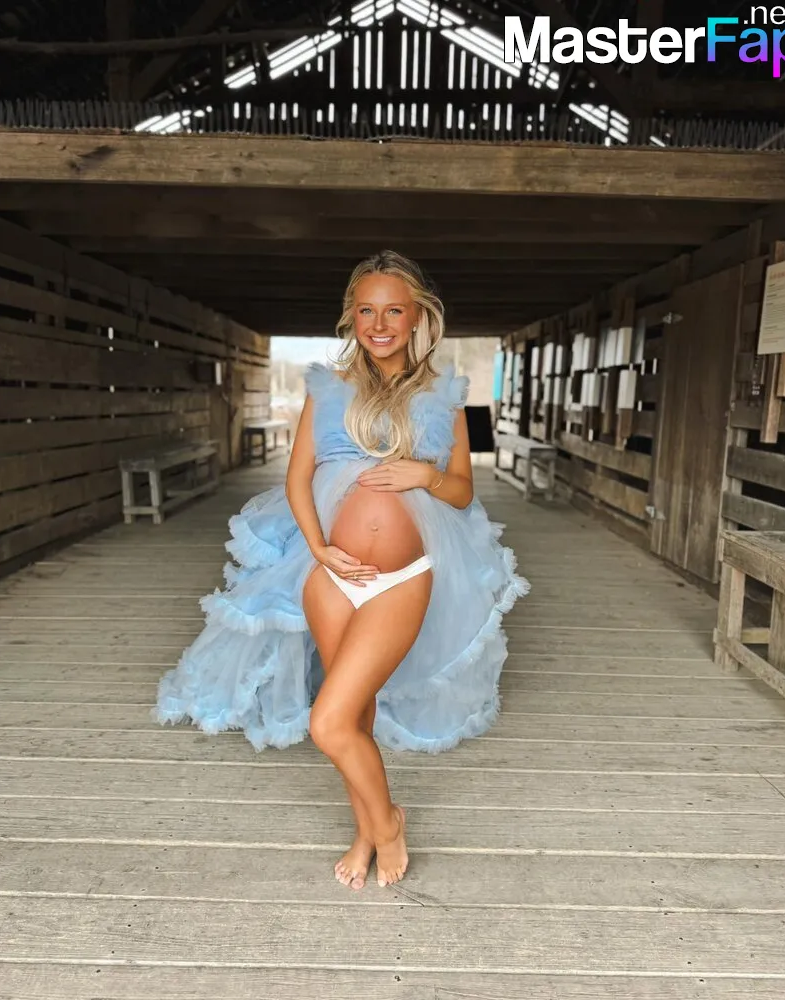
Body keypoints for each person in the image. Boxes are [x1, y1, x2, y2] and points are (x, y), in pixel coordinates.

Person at [155, 250, 530, 892]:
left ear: (418, 317)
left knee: (327, 720)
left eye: (394, 311)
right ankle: (367, 831)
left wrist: (424, 475)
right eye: (366, 311)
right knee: (353, 716)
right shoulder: (328, 391)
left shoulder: (443, 396)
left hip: (401, 579)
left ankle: (388, 823)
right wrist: (320, 549)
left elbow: (463, 492)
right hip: (331, 575)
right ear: (351, 317)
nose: (379, 324)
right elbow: (298, 479)